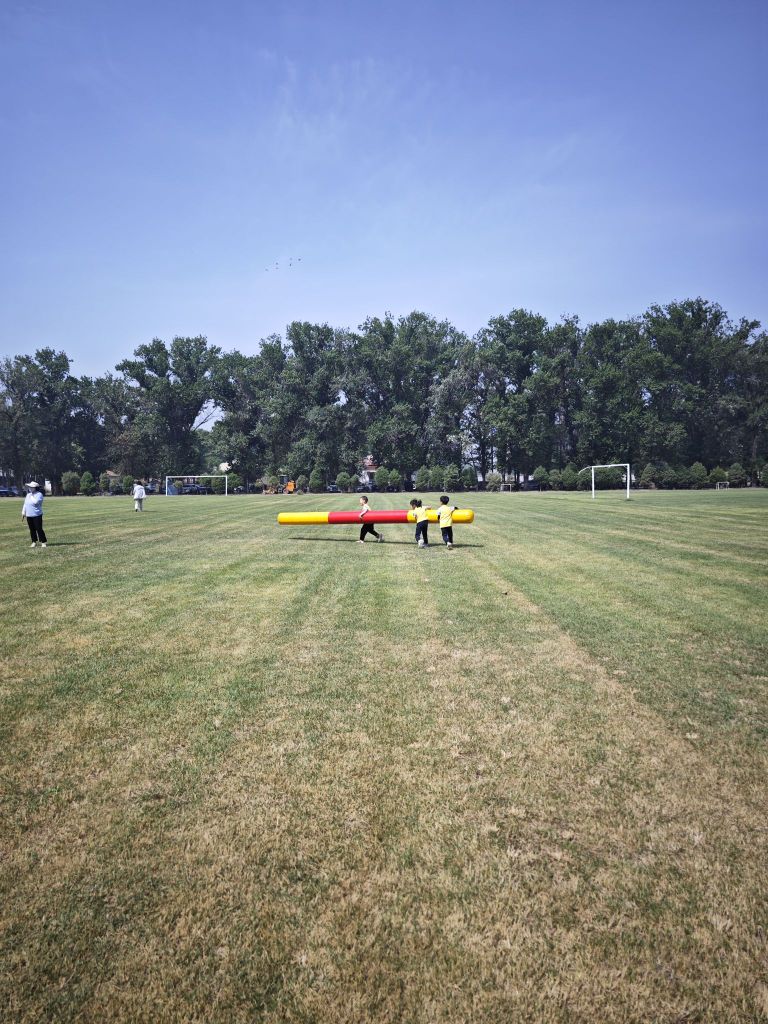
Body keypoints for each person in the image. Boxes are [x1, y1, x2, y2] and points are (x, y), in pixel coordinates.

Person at [22, 481, 47, 548]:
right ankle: (34, 542)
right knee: (32, 529)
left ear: (35, 488)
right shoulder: (28, 495)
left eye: (31, 487)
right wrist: (23, 512)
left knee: (39, 529)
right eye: (29, 487)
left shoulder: (39, 494)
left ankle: (43, 542)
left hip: (37, 515)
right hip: (29, 515)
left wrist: (32, 496)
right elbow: (25, 504)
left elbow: (36, 502)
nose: (29, 488)